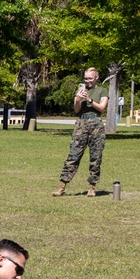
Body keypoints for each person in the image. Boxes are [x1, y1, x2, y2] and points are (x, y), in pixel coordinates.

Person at [53, 68, 109, 198]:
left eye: (90, 78)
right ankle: (62, 185)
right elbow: (77, 110)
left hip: (96, 125)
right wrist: (78, 99)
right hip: (81, 125)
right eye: (85, 78)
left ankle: (92, 187)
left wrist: (89, 99)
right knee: (73, 155)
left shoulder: (102, 91)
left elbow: (101, 108)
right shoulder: (80, 90)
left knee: (96, 157)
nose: (87, 81)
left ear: (96, 77)